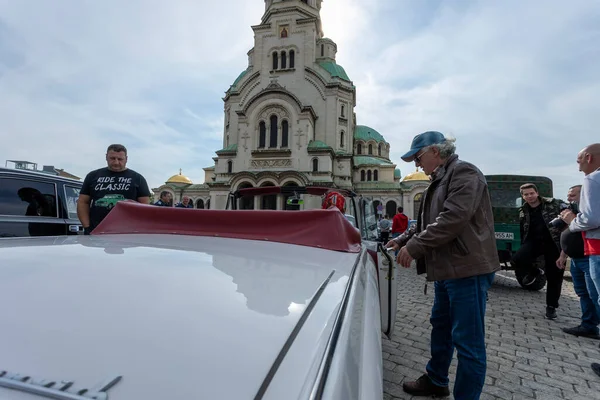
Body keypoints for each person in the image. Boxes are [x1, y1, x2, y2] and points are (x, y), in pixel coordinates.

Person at [385, 131, 498, 399]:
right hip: (448, 270)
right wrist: (401, 240)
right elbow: (424, 223)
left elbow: (452, 219)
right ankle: (436, 380)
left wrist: (414, 247)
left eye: (418, 157)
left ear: (436, 151)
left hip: (467, 269)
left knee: (468, 342)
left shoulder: (464, 173)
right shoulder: (437, 180)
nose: (416, 164)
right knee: (441, 326)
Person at [559, 143, 600, 377]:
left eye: (578, 161)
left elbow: (591, 218)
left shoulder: (593, 179)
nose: (578, 167)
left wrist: (572, 221)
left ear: (588, 157)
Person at [512, 183, 565, 319]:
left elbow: (569, 213)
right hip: (534, 242)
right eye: (526, 194)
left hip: (554, 243)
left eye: (531, 193)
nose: (529, 196)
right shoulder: (523, 209)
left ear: (537, 193)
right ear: (522, 196)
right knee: (517, 259)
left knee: (555, 277)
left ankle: (551, 307)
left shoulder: (553, 203)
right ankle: (535, 271)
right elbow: (523, 228)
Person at [557, 185, 600, 339]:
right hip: (575, 259)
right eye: (568, 196)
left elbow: (591, 227)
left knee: (595, 295)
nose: (569, 199)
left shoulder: (590, 212)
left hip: (590, 258)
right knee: (583, 294)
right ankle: (588, 325)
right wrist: (563, 255)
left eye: (573, 195)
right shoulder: (574, 212)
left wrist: (572, 219)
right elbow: (569, 235)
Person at [77, 144, 151, 234]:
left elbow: (145, 206)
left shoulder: (138, 178)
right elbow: (83, 202)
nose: (116, 162)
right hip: (96, 230)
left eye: (120, 159)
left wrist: (139, 229)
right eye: (112, 158)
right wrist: (87, 227)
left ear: (126, 159)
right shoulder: (93, 176)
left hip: (127, 232)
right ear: (106, 157)